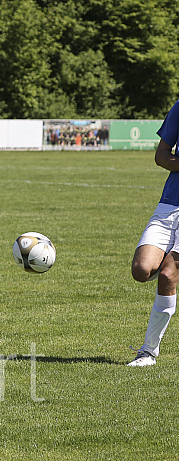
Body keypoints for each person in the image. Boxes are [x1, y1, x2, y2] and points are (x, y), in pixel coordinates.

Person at [129, 99, 179, 367]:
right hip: (169, 205)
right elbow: (161, 156)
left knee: (169, 275)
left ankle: (148, 352)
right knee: (141, 270)